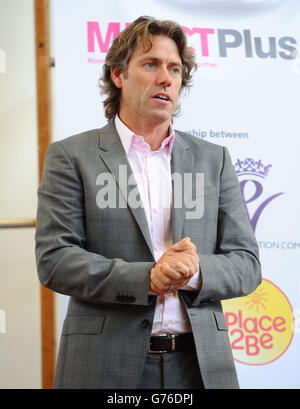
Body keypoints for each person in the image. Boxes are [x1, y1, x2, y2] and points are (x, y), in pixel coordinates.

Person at [35, 16, 261, 389]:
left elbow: (247, 264)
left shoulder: (213, 159)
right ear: (118, 75)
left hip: (200, 365)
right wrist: (148, 278)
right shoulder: (71, 156)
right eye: (151, 64)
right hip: (104, 364)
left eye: (174, 68)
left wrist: (194, 271)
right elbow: (55, 260)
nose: (166, 78)